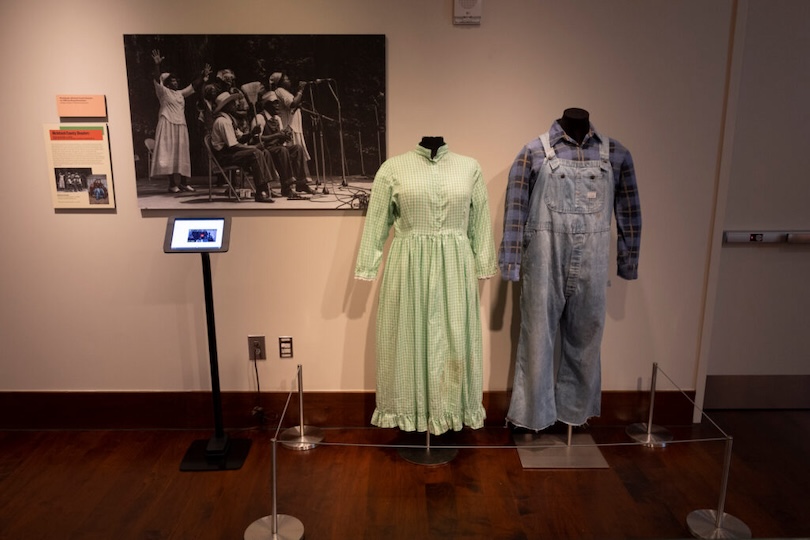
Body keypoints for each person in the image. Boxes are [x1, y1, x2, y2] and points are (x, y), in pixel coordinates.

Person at [497, 108, 642, 432]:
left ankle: (573, 417)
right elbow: (516, 210)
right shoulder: (533, 152)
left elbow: (630, 212)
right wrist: (510, 263)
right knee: (537, 339)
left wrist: (628, 260)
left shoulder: (616, 155)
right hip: (543, 258)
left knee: (586, 340)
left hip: (593, 260)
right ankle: (532, 418)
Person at [354, 138, 498, 436]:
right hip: (408, 268)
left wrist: (485, 262)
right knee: (408, 339)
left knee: (455, 340)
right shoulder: (392, 168)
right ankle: (411, 412)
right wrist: (367, 264)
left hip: (456, 268)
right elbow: (376, 222)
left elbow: (480, 221)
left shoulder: (469, 168)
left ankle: (450, 411)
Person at [150, 49, 211, 193]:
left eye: (176, 80)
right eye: (172, 80)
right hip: (167, 124)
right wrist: (157, 64)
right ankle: (172, 184)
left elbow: (193, 86)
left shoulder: (180, 94)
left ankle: (184, 183)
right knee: (170, 153)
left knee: (182, 153)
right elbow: (156, 76)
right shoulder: (163, 92)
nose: (176, 82)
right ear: (166, 83)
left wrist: (203, 75)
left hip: (180, 126)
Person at [209, 92, 276, 203]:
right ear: (226, 106)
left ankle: (266, 187)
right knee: (255, 152)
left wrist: (252, 133)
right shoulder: (223, 121)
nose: (236, 104)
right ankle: (261, 191)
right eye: (232, 103)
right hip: (224, 156)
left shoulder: (229, 120)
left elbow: (240, 138)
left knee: (263, 152)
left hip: (230, 153)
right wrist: (253, 147)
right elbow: (233, 146)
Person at [255, 93, 314, 197]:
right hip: (266, 150)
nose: (277, 106)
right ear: (267, 105)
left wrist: (285, 136)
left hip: (277, 148)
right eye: (274, 103)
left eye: (278, 103)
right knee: (282, 150)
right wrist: (277, 135)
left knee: (297, 148)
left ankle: (301, 183)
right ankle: (286, 186)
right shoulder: (260, 118)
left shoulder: (277, 118)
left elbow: (280, 140)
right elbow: (257, 139)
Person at [268, 72, 312, 174]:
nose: (289, 81)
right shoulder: (280, 91)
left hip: (293, 125)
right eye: (286, 79)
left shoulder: (284, 92)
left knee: (297, 154)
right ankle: (296, 179)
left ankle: (298, 179)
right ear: (280, 82)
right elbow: (292, 104)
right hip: (289, 126)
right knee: (294, 153)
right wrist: (300, 90)